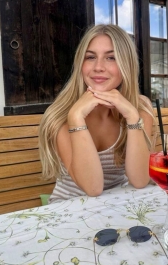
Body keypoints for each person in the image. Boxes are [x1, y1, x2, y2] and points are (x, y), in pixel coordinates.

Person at [38, 24, 156, 203]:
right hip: (69, 206)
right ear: (80, 64)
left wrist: (132, 117)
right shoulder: (61, 115)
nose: (98, 67)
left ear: (127, 64)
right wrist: (76, 118)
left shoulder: (139, 108)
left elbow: (140, 180)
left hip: (117, 203)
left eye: (111, 58)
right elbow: (92, 188)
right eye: (90, 57)